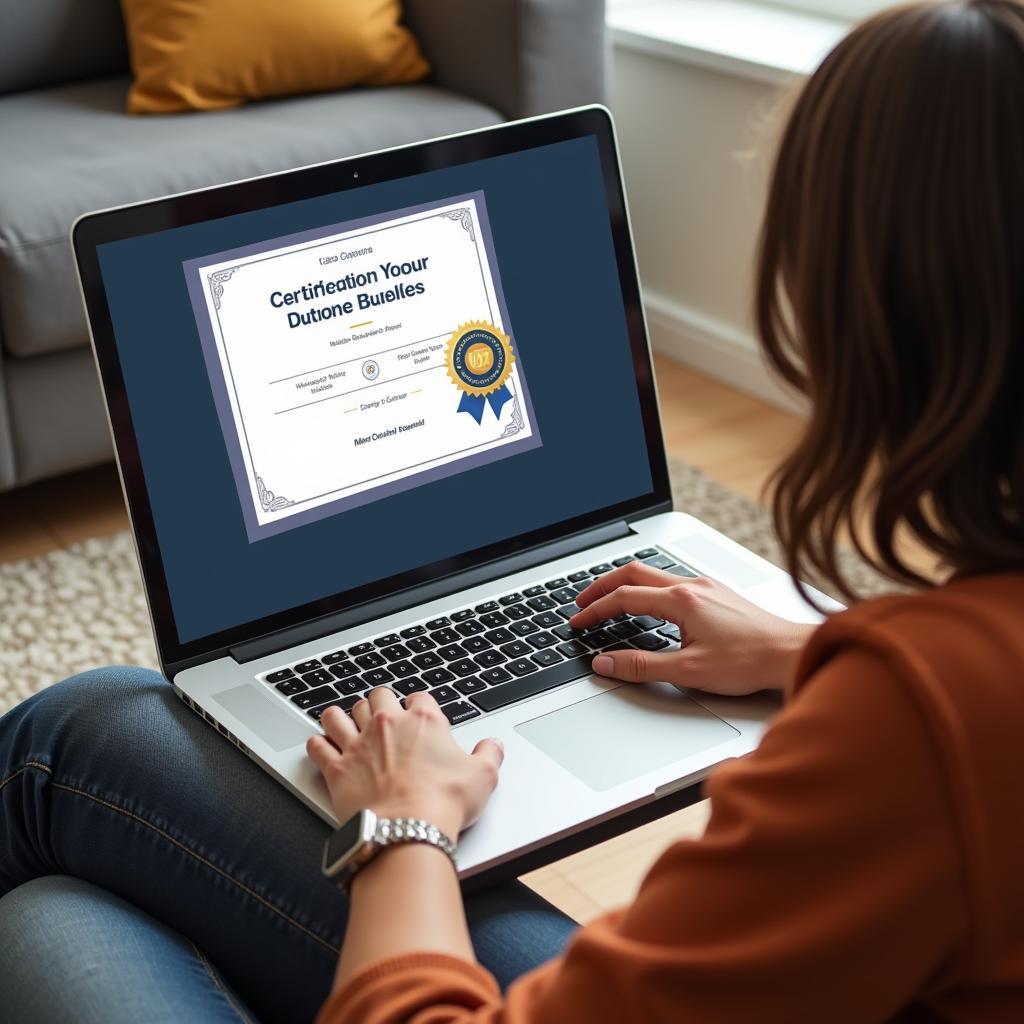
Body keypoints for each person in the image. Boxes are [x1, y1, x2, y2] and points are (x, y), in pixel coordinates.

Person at [3, 0, 1024, 1019]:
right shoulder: (950, 685)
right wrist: (818, 656)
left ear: (861, 311)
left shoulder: (917, 725)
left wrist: (401, 830)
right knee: (72, 827)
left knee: (55, 874)